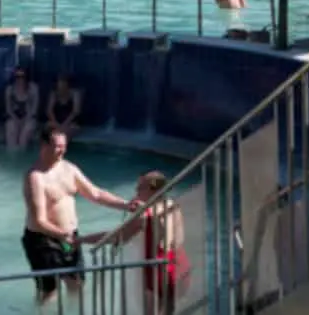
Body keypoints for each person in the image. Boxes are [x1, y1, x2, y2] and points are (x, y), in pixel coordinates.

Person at [21, 125, 138, 304]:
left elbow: (95, 194)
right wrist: (62, 235)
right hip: (43, 239)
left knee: (77, 284)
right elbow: (38, 221)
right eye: (57, 146)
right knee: (49, 292)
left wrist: (125, 205)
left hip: (69, 237)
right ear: (43, 145)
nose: (62, 150)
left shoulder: (69, 169)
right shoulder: (35, 177)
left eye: (64, 145)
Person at [80, 171, 190, 314]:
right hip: (179, 264)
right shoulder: (172, 205)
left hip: (157, 269)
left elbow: (117, 236)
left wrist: (81, 240)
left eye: (140, 188)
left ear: (153, 190)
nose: (136, 191)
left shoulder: (145, 214)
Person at [5, 67, 39, 150]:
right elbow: (8, 109)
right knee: (10, 128)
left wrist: (24, 120)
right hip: (14, 117)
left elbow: (34, 109)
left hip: (29, 117)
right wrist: (17, 120)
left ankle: (22, 153)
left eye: (22, 76)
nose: (20, 79)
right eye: (17, 76)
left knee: (24, 134)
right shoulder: (10, 89)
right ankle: (12, 155)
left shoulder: (33, 88)